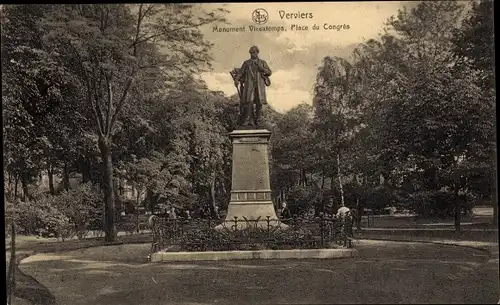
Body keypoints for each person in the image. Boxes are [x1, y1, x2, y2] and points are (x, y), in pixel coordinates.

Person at [231, 46, 272, 127]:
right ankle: (247, 120)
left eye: (254, 52)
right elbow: (241, 72)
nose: (252, 54)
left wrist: (261, 69)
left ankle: (258, 120)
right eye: (251, 53)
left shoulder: (262, 62)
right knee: (249, 101)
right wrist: (236, 80)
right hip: (249, 86)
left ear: (257, 52)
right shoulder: (246, 63)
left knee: (258, 103)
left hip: (259, 86)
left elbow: (269, 72)